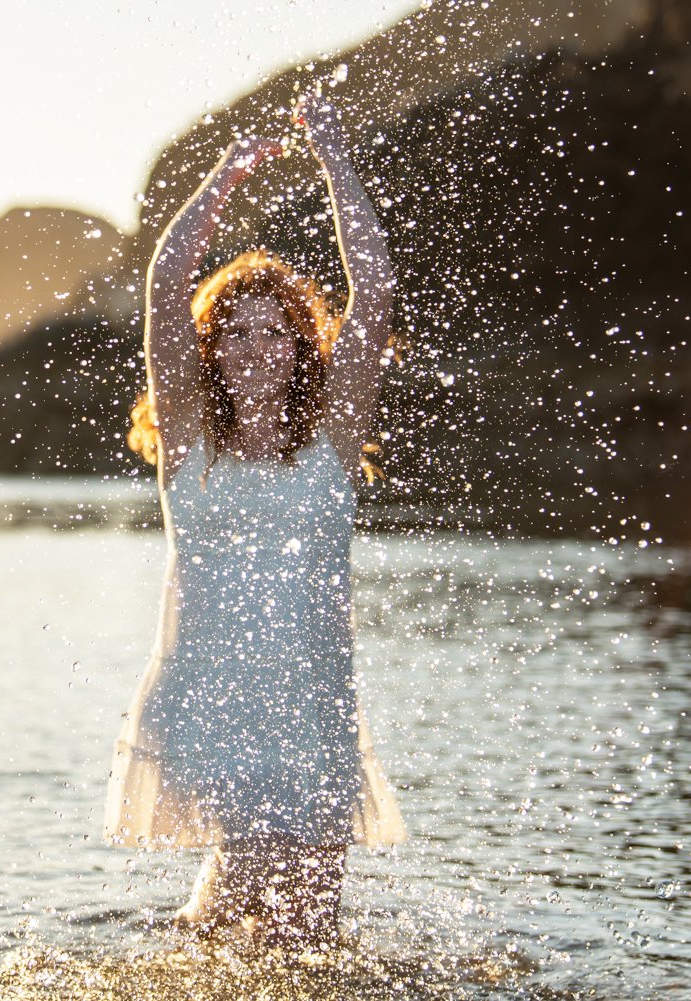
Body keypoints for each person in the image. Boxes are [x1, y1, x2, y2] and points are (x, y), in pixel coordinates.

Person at [103, 93, 406, 952]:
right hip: (217, 696)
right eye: (232, 332)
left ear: (302, 347)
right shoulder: (188, 447)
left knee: (306, 920)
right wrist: (223, 179)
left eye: (273, 333)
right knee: (272, 893)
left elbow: (374, 286)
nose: (250, 349)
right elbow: (167, 286)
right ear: (210, 350)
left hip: (311, 698)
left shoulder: (332, 444)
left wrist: (336, 159)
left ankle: (173, 961)